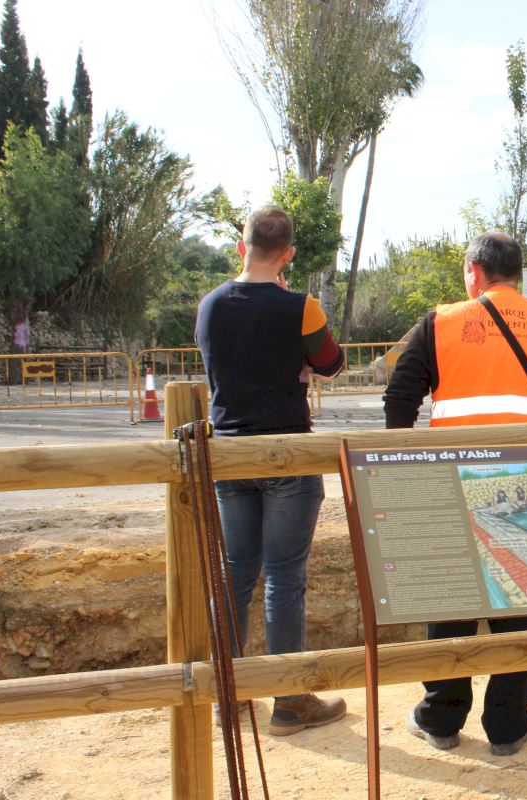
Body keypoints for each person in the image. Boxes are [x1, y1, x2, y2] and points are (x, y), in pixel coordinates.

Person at [383, 231, 527, 756]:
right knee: (523, 598)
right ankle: (508, 725)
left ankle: (441, 718)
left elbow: (399, 398)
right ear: (517, 275)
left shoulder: (440, 323)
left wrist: (399, 470)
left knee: (452, 604)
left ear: (475, 273)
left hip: (450, 482)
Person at [194, 206, 347, 736]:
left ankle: (226, 696)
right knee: (285, 578)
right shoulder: (301, 307)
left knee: (235, 574)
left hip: (229, 456)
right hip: (288, 455)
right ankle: (290, 699)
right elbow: (331, 363)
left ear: (242, 248)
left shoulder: (210, 305)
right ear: (288, 254)